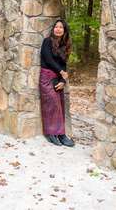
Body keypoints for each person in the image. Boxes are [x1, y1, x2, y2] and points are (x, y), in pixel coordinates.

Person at [39, 19, 75, 147]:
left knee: (60, 106)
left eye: (61, 27)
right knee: (51, 106)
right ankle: (51, 134)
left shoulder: (64, 45)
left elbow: (64, 63)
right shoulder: (47, 42)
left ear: (64, 31)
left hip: (58, 78)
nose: (58, 29)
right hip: (46, 77)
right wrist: (61, 73)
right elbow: (48, 60)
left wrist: (63, 81)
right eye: (56, 27)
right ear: (53, 29)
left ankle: (61, 135)